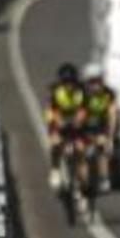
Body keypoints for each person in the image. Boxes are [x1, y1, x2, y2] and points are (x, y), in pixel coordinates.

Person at [46, 63, 87, 191]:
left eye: (71, 82)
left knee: (80, 148)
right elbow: (52, 110)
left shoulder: (81, 92)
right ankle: (55, 170)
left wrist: (79, 120)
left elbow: (84, 109)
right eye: (66, 83)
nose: (69, 86)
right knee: (55, 142)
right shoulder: (56, 92)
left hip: (77, 124)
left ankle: (82, 176)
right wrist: (58, 122)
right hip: (60, 121)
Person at [80, 62, 118, 194]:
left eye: (98, 81)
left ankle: (104, 178)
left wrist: (110, 137)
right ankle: (81, 182)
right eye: (92, 82)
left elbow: (112, 115)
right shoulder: (81, 95)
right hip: (83, 131)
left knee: (103, 147)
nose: (96, 86)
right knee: (81, 152)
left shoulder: (108, 94)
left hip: (100, 129)